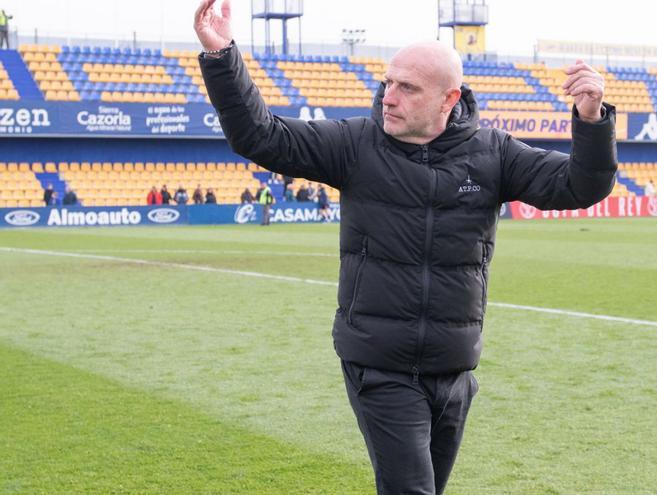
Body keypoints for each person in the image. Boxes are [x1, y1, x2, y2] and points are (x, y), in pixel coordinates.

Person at [195, 1, 616, 493]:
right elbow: (261, 137)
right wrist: (223, 55)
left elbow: (578, 186)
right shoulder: (355, 144)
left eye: (406, 88)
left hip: (454, 370)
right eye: (387, 83)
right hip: (381, 366)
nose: (388, 97)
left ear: (448, 98)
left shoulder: (493, 153)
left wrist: (591, 120)